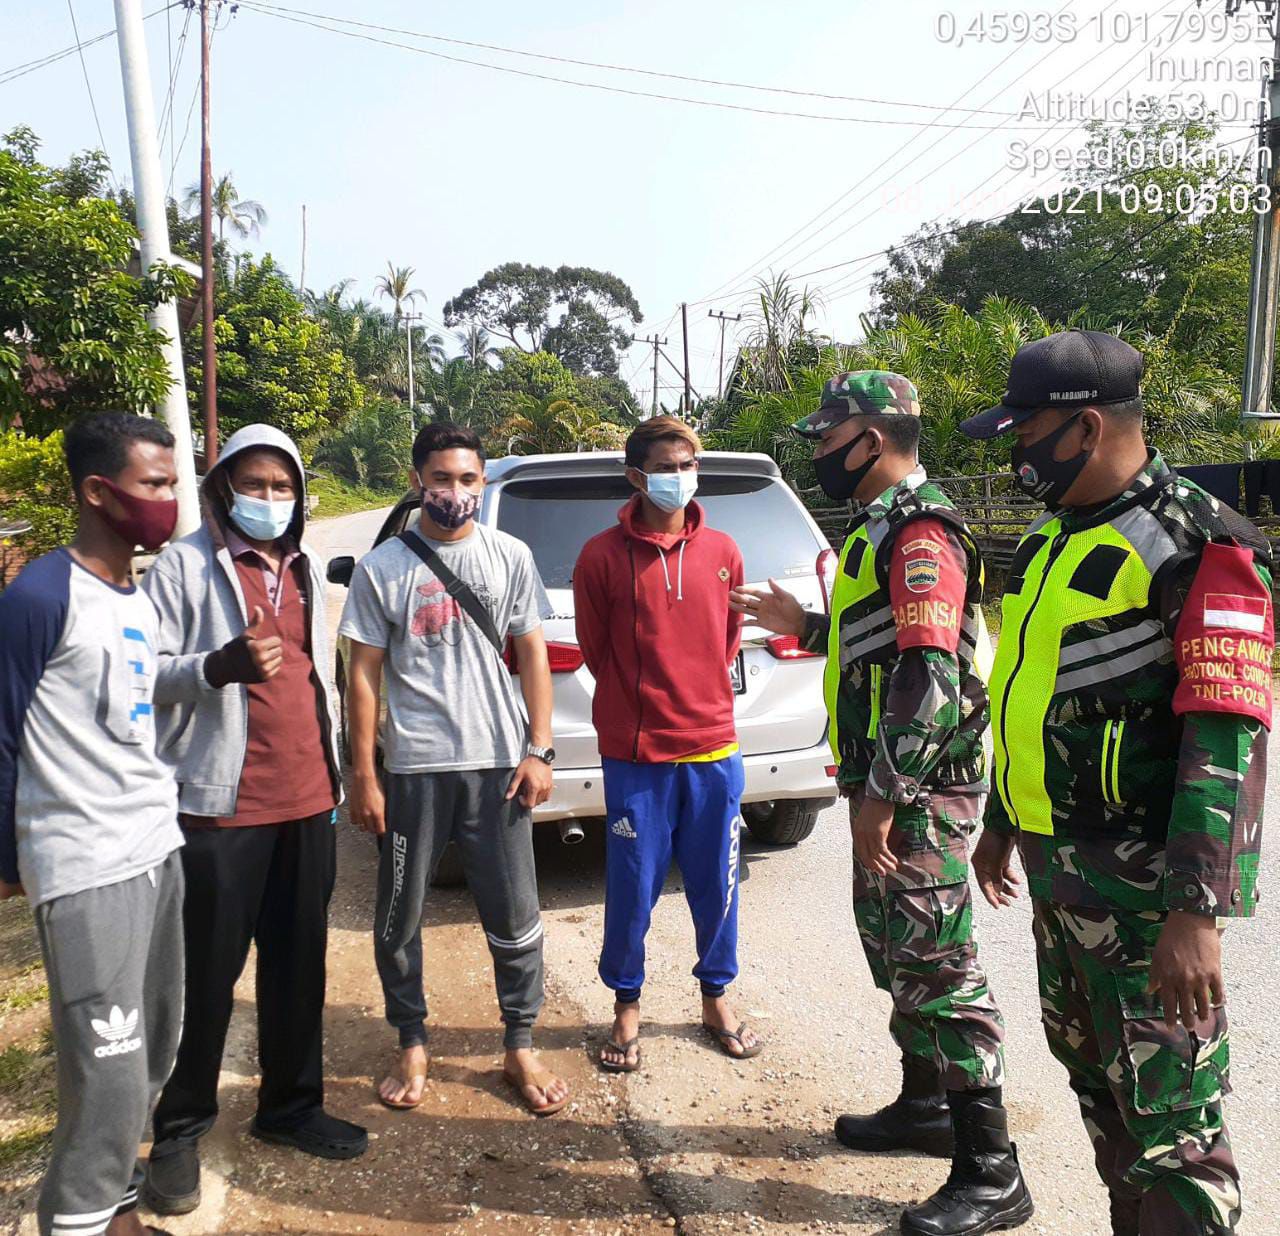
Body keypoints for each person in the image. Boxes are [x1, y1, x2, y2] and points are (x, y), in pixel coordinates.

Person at [959, 330, 1269, 1236]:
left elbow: (1227, 737)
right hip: (1064, 882)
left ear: (1086, 426)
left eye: (1025, 433)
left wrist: (1196, 912)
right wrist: (1005, 819)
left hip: (1149, 904)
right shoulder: (1055, 537)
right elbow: (1029, 689)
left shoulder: (1194, 544)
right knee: (1106, 1100)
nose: (1016, 454)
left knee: (1176, 1133)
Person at [730, 373, 1032, 1236]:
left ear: (871, 437)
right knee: (894, 947)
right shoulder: (880, 530)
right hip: (888, 780)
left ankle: (991, 1170)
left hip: (923, 784)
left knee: (939, 964)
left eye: (828, 437)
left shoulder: (923, 530)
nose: (819, 451)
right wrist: (812, 620)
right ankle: (925, 1105)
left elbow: (930, 671)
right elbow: (883, 642)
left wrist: (886, 796)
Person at [139, 424, 365, 1215]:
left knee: (300, 965)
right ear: (223, 488)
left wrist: (340, 776)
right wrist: (214, 668)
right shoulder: (181, 569)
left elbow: (314, 676)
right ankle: (177, 1131)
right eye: (254, 485)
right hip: (218, 810)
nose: (269, 500)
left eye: (282, 487)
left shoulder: (303, 566)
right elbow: (138, 676)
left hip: (308, 800)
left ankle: (289, 1108)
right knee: (203, 977)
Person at [340, 421, 569, 1117]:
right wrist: (364, 776)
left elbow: (533, 655)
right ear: (417, 482)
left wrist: (540, 749)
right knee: (398, 916)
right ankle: (411, 1038)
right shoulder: (384, 569)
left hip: (498, 769)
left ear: (484, 482)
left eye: (469, 479)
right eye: (441, 478)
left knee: (515, 914)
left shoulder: (509, 555)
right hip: (415, 771)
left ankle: (519, 1041)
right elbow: (361, 678)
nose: (455, 491)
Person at [0, 412, 186, 1236]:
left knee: (153, 1052)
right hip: (84, 865)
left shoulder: (132, 594)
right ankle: (76, 1215)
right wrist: (8, 862)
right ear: (98, 493)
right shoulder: (41, 595)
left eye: (173, 483)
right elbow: (2, 733)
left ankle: (113, 1209)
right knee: (105, 1069)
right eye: (154, 484)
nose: (169, 500)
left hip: (153, 846)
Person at [574, 416, 760, 1073]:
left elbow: (728, 642)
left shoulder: (725, 552)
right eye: (667, 467)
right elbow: (597, 650)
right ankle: (627, 1004)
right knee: (632, 885)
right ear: (635, 476)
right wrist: (640, 707)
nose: (680, 478)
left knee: (718, 884)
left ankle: (717, 997)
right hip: (635, 756)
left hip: (713, 747)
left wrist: (697, 701)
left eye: (688, 466)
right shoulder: (600, 556)